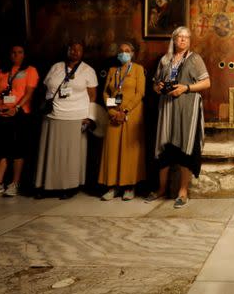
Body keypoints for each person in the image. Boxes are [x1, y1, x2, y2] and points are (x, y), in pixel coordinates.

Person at [146, 27, 210, 208]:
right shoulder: (165, 60)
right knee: (164, 148)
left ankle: (183, 192)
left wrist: (185, 88)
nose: (183, 40)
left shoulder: (195, 59)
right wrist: (157, 88)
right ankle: (161, 189)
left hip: (187, 110)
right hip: (167, 109)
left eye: (186, 38)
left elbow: (206, 82)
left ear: (189, 41)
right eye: (179, 37)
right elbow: (154, 85)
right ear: (173, 40)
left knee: (185, 149)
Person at [35, 40, 97, 199]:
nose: (74, 52)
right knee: (51, 154)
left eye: (78, 50)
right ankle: (47, 186)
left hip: (76, 117)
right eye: (72, 49)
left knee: (71, 156)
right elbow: (46, 87)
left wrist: (89, 117)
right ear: (67, 50)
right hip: (53, 115)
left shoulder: (87, 70)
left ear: (82, 53)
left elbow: (92, 96)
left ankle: (69, 186)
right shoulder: (56, 67)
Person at [0, 43, 39, 198]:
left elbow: (29, 93)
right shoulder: (2, 71)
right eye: (13, 52)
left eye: (20, 52)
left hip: (19, 114)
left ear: (24, 54)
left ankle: (15, 182)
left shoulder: (30, 70)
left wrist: (17, 107)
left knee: (17, 150)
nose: (16, 55)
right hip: (1, 113)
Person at [99, 41, 146, 201]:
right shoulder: (113, 70)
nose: (123, 53)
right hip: (114, 115)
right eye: (121, 51)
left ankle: (129, 187)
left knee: (129, 151)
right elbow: (106, 93)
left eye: (127, 51)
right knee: (112, 150)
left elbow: (140, 93)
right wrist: (112, 111)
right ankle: (112, 186)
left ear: (132, 53)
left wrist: (124, 110)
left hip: (131, 114)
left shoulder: (138, 69)